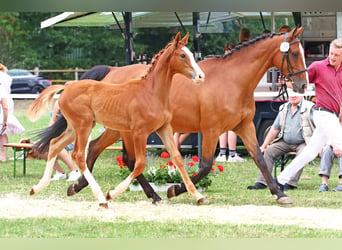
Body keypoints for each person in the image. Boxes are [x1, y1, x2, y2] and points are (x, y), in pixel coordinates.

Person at [276, 38, 342, 191]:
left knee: (309, 153)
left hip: (333, 116)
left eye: (336, 55)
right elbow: (301, 84)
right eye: (331, 53)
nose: (332, 57)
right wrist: (287, 83)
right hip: (321, 114)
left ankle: (280, 179)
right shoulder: (318, 67)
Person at [247, 90, 315, 190]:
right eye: (291, 94)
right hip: (285, 141)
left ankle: (291, 183)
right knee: (269, 151)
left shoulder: (310, 107)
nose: (293, 96)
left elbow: (318, 127)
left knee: (303, 154)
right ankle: (262, 182)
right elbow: (274, 129)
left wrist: (319, 146)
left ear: (302, 94)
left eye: (295, 94)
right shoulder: (284, 108)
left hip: (303, 142)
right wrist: (264, 145)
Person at [48, 100, 81, 181]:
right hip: (59, 133)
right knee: (42, 147)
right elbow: (52, 120)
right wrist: (49, 134)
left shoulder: (78, 102)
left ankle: (74, 171)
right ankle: (59, 172)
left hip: (74, 135)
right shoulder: (58, 102)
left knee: (57, 145)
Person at [0, 63, 25, 161]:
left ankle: (3, 155)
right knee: (2, 131)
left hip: (3, 101)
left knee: (1, 131)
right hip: (7, 101)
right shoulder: (7, 77)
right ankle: (3, 155)